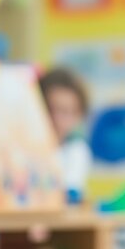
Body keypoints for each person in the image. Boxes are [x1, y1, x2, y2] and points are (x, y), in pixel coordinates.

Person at [38, 68, 92, 206]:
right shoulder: (23, 150)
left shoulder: (76, 151)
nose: (57, 119)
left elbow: (71, 193)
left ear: (79, 116)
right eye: (50, 109)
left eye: (66, 112)